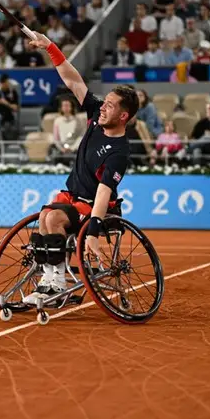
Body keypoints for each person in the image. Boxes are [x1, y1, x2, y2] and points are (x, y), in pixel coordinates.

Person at [21, 32, 138, 303]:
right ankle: (50, 277)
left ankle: (57, 281)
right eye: (104, 103)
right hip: (71, 198)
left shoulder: (119, 152)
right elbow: (72, 80)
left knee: (53, 219)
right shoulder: (96, 115)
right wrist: (50, 47)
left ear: (123, 116)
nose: (103, 108)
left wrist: (94, 232)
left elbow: (104, 193)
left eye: (110, 106)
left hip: (94, 207)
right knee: (45, 217)